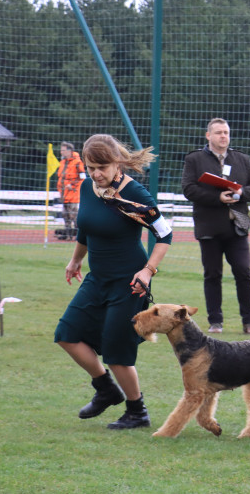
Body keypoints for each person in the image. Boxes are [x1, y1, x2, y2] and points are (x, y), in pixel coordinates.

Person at [54, 134, 173, 430]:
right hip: (98, 279)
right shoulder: (87, 187)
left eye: (102, 167)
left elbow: (165, 235)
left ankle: (137, 411)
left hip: (129, 282)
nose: (96, 174)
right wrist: (76, 259)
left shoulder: (134, 195)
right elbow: (86, 229)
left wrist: (147, 271)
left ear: (117, 163)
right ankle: (106, 389)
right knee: (66, 334)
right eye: (91, 167)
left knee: (116, 349)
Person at [182, 118, 250, 335]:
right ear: (208, 135)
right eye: (218, 132)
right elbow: (189, 189)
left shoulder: (242, 159)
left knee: (244, 272)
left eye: (226, 132)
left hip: (237, 226)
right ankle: (215, 322)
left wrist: (240, 193)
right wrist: (217, 197)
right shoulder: (194, 159)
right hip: (209, 227)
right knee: (212, 274)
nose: (223, 136)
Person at [56, 141, 86, 240]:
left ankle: (79, 236)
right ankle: (68, 235)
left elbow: (82, 178)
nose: (61, 152)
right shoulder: (63, 162)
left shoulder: (77, 162)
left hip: (73, 194)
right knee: (65, 215)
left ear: (69, 151)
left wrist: (72, 185)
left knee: (74, 216)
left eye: (63, 150)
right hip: (64, 194)